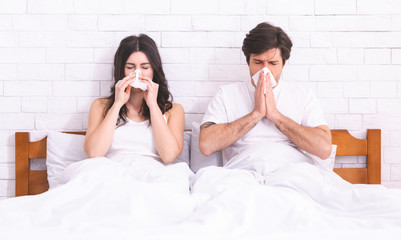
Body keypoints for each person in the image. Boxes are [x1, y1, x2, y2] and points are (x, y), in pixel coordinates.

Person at [199, 22, 332, 167]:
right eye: (258, 62)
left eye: (273, 63)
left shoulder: (302, 95)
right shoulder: (226, 94)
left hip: (291, 169)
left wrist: (275, 116)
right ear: (248, 61)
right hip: (243, 171)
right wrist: (255, 114)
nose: (265, 71)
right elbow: (206, 145)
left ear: (284, 63)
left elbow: (324, 149)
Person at [84, 34, 185, 164]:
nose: (138, 74)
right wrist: (117, 104)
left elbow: (169, 156)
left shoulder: (174, 110)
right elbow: (94, 153)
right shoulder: (100, 106)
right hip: (110, 173)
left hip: (153, 174)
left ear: (154, 70)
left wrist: (153, 105)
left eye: (145, 67)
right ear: (121, 70)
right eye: (130, 67)